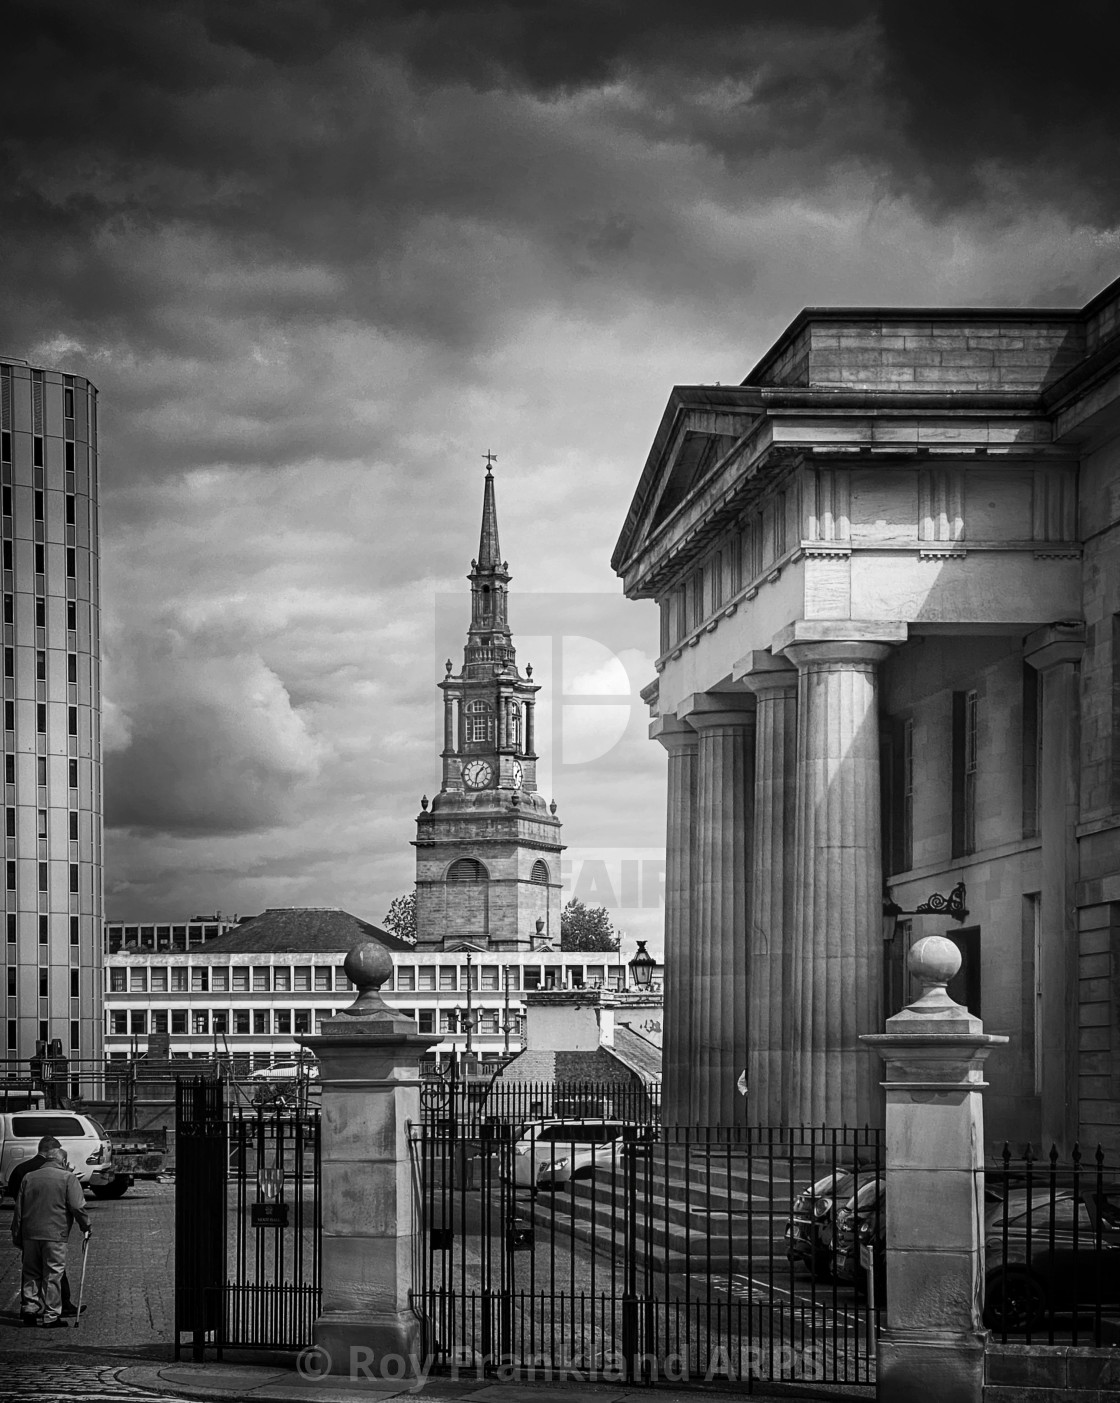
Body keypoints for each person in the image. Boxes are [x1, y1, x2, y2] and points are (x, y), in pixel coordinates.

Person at [11, 1138, 91, 1329]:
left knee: (31, 1272)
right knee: (53, 1274)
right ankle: (51, 1315)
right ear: (63, 1162)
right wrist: (86, 1226)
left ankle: (29, 1309)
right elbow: (77, 1206)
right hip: (55, 1233)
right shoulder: (67, 1178)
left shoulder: (29, 1177)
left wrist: (17, 1234)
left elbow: (19, 1210)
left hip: (30, 1233)